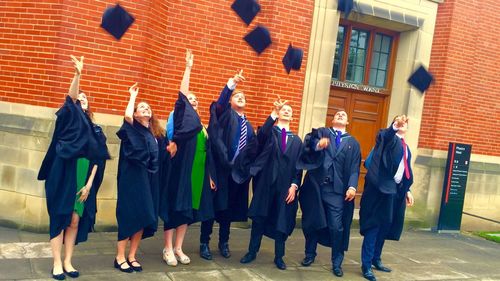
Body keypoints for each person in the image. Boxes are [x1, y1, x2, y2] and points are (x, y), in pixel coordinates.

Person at [38, 55, 109, 280]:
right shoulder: (68, 119)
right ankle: (57, 263)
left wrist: (89, 185)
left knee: (75, 219)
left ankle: (69, 261)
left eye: (86, 98)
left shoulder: (95, 130)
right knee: (60, 217)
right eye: (80, 97)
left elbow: (98, 161)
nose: (82, 98)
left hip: (82, 179)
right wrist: (77, 75)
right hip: (63, 175)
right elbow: (70, 99)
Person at [160, 50, 216, 266]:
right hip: (180, 170)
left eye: (195, 100)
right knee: (175, 208)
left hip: (197, 173)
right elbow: (181, 95)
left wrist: (209, 176)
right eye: (189, 99)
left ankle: (178, 247)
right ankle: (167, 248)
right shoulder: (182, 118)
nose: (192, 101)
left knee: (188, 212)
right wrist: (188, 68)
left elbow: (206, 153)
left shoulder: (202, 126)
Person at [238, 99, 303, 270]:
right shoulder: (269, 133)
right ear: (279, 114)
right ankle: (252, 252)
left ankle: (279, 256)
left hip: (284, 187)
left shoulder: (297, 141)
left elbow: (299, 167)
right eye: (284, 109)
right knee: (259, 219)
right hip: (266, 183)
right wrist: (273, 112)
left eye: (290, 110)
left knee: (281, 221)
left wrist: (294, 185)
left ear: (293, 116)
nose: (287, 111)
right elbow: (260, 137)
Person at [297, 110, 361, 277]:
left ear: (347, 122)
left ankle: (337, 261)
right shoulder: (323, 132)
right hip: (316, 187)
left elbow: (355, 167)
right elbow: (309, 145)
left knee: (336, 227)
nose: (340, 115)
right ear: (332, 119)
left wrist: (352, 187)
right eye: (337, 114)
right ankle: (309, 254)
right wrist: (319, 145)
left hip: (337, 192)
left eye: (343, 115)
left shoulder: (353, 143)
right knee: (313, 221)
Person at [200, 70, 254, 260]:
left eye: (242, 97)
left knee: (228, 211)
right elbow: (219, 105)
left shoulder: (249, 126)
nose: (240, 97)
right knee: (212, 208)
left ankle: (224, 242)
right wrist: (231, 84)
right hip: (220, 170)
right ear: (231, 101)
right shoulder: (225, 114)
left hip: (237, 175)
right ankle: (204, 243)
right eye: (236, 96)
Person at [114, 83, 164, 273]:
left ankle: (132, 255)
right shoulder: (131, 128)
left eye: (148, 107)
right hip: (132, 178)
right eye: (141, 108)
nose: (146, 109)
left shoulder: (154, 134)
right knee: (129, 215)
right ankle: (119, 256)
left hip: (149, 179)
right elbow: (126, 116)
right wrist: (132, 96)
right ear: (135, 114)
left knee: (144, 216)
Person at [359, 115, 415, 281]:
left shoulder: (407, 148)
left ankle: (376, 259)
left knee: (385, 226)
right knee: (374, 227)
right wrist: (394, 127)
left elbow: (405, 171)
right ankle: (366, 265)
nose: (402, 124)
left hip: (395, 191)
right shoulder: (388, 140)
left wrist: (407, 190)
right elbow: (386, 136)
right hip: (379, 191)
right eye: (398, 121)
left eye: (404, 122)